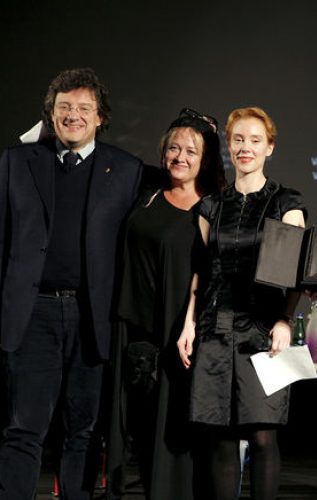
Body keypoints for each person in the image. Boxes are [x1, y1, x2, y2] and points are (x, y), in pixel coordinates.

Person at [0, 68, 142, 500]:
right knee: (24, 429)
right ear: (50, 114)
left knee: (84, 431)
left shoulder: (127, 170)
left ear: (101, 117)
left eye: (84, 108)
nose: (73, 115)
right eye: (64, 107)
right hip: (32, 314)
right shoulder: (16, 162)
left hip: (92, 317)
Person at [176, 107, 305, 500]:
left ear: (269, 147)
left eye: (254, 140)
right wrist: (189, 324)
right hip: (215, 328)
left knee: (263, 436)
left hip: (262, 329)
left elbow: (296, 272)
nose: (245, 147)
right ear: (229, 147)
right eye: (238, 140)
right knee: (221, 437)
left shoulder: (286, 202)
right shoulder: (211, 206)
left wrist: (285, 320)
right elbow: (202, 270)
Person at [108, 109, 225, 499]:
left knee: (170, 437)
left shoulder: (211, 207)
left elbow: (209, 272)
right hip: (131, 328)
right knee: (133, 430)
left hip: (178, 333)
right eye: (174, 148)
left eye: (191, 151)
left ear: (205, 159)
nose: (180, 157)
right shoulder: (148, 191)